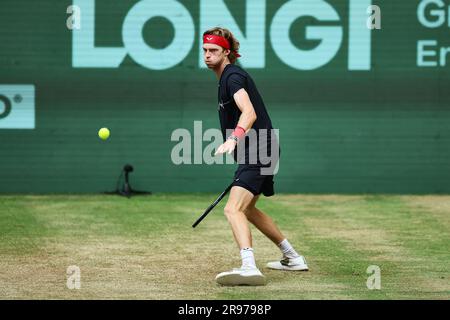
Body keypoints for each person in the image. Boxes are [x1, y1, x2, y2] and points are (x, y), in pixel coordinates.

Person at [202, 27, 308, 286]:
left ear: (227, 52)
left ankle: (249, 266)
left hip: (259, 148)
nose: (207, 55)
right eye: (205, 50)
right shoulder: (226, 78)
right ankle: (292, 258)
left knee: (233, 208)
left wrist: (233, 138)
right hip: (264, 147)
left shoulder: (232, 77)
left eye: (213, 50)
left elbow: (249, 113)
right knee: (247, 208)